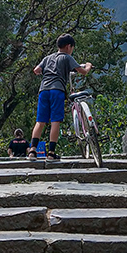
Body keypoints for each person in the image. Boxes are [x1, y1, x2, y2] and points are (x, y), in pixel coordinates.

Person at [28, 33, 92, 161]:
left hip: (44, 90)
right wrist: (88, 65)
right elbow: (83, 72)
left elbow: (36, 70)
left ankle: (32, 151)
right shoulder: (67, 57)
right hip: (57, 90)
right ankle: (51, 153)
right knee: (55, 121)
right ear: (69, 46)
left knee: (40, 121)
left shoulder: (47, 58)